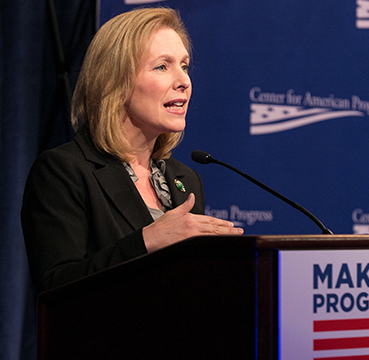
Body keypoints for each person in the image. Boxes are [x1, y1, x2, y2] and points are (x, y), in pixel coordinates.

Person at [21, 7, 243, 295]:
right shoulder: (64, 172)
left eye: (184, 66)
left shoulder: (184, 179)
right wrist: (148, 240)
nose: (184, 81)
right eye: (162, 66)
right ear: (116, 81)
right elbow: (56, 287)